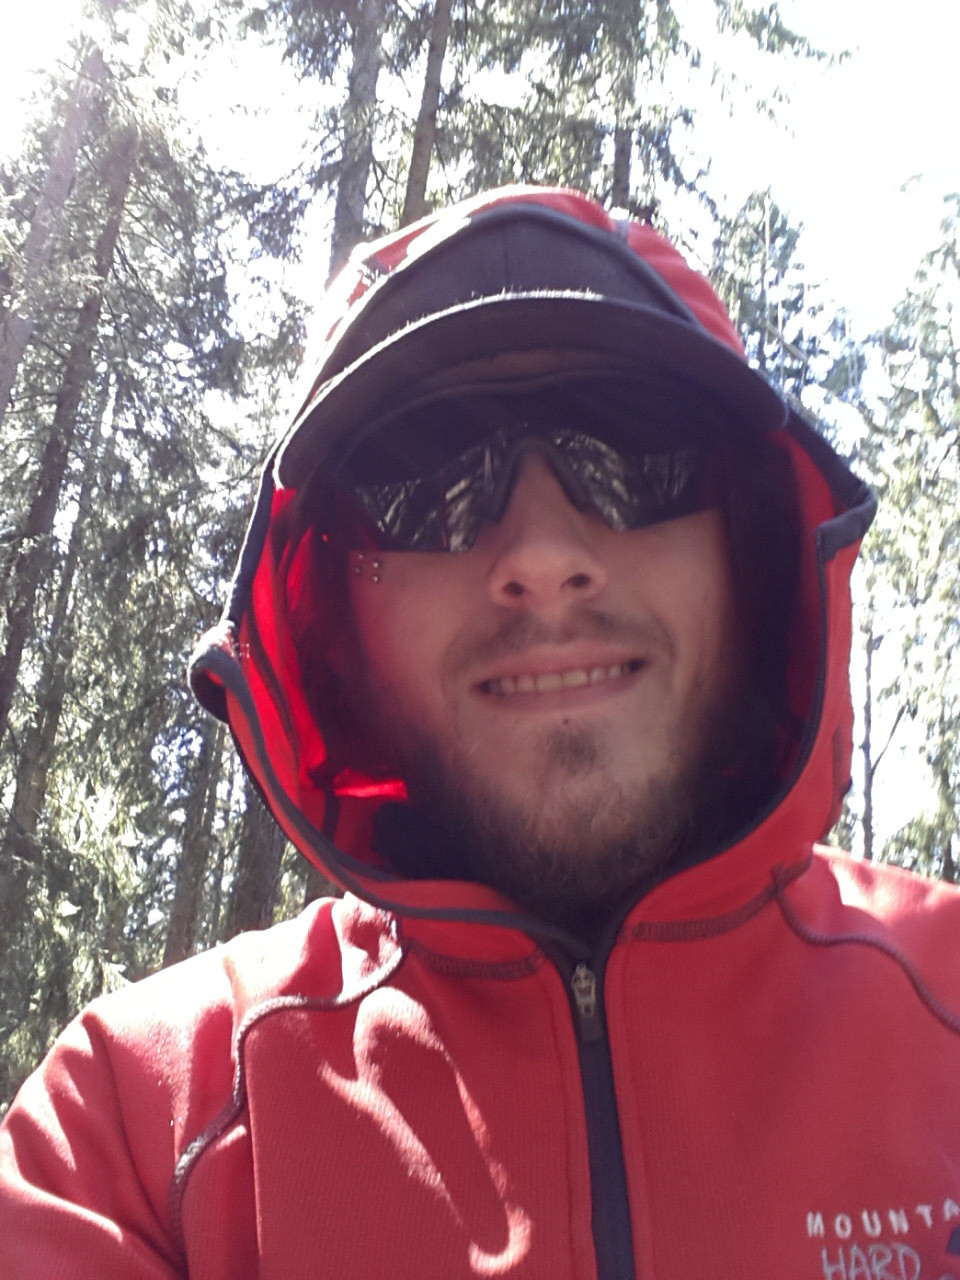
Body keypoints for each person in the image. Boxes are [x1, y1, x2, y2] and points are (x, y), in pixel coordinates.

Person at [1, 185, 958, 1280]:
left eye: (638, 446)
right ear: (330, 620)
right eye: (425, 475)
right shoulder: (132, 1132)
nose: (542, 555)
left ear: (754, 546)